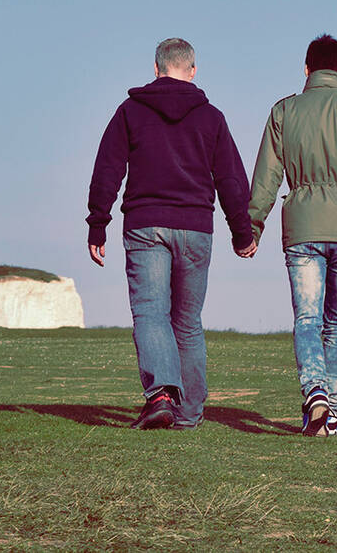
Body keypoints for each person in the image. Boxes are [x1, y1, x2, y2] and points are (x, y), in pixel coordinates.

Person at [86, 38, 257, 430]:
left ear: (156, 67)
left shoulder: (130, 111)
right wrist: (242, 233)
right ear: (192, 70)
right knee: (187, 320)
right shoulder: (211, 117)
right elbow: (231, 179)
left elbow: (107, 169)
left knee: (150, 312)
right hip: (196, 228)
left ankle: (161, 394)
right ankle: (189, 414)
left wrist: (98, 223)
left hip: (146, 225)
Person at [248, 34, 337, 436]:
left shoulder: (283, 112)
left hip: (303, 229)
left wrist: (252, 224)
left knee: (307, 319)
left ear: (307, 70)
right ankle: (331, 413)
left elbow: (267, 176)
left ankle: (316, 394)